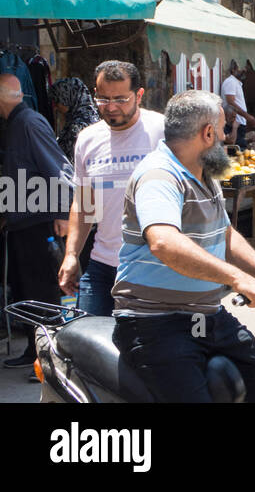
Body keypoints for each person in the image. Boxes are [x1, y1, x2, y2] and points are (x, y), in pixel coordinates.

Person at [111, 90, 255, 403]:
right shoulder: (159, 176)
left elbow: (224, 234)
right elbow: (164, 243)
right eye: (225, 129)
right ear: (208, 133)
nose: (229, 137)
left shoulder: (204, 173)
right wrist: (238, 279)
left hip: (207, 316)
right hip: (155, 323)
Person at [57, 61, 165, 318]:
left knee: (148, 350)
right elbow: (84, 204)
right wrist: (71, 255)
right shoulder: (87, 139)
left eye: (120, 98)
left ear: (139, 95)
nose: (111, 107)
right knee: (87, 344)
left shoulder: (164, 131)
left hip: (154, 269)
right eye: (103, 98)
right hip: (102, 265)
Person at [0, 73, 72, 377]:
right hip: (21, 222)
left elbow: (59, 168)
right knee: (27, 291)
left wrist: (63, 212)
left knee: (43, 293)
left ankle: (52, 361)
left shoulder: (29, 123)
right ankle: (34, 351)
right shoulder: (14, 124)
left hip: (39, 221)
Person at [49, 77, 99, 159]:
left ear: (68, 98)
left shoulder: (77, 127)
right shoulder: (92, 116)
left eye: (57, 101)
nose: (55, 107)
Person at [220, 60, 255, 146]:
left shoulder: (236, 83)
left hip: (239, 123)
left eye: (245, 68)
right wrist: (248, 117)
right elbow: (231, 102)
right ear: (233, 70)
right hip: (234, 124)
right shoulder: (231, 82)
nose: (244, 70)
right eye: (241, 68)